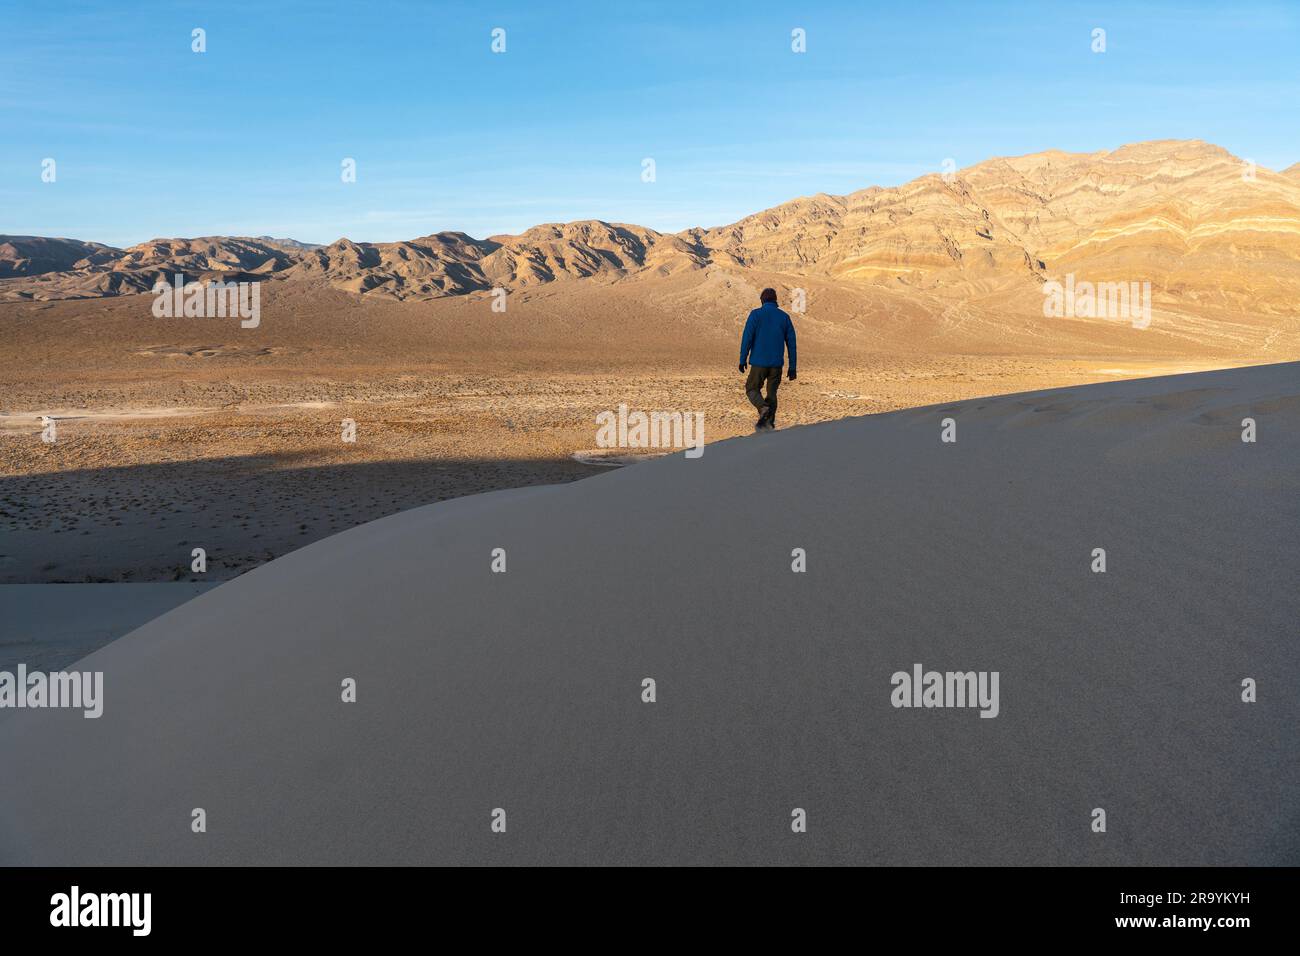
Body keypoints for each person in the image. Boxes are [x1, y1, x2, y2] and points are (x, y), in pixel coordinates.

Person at [738, 287, 797, 430]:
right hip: (776, 365)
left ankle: (763, 408)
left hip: (759, 363)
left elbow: (747, 338)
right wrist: (792, 367)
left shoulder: (756, 315)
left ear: (762, 300)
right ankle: (768, 425)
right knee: (772, 393)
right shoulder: (784, 317)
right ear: (775, 300)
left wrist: (742, 359)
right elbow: (792, 344)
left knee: (751, 388)